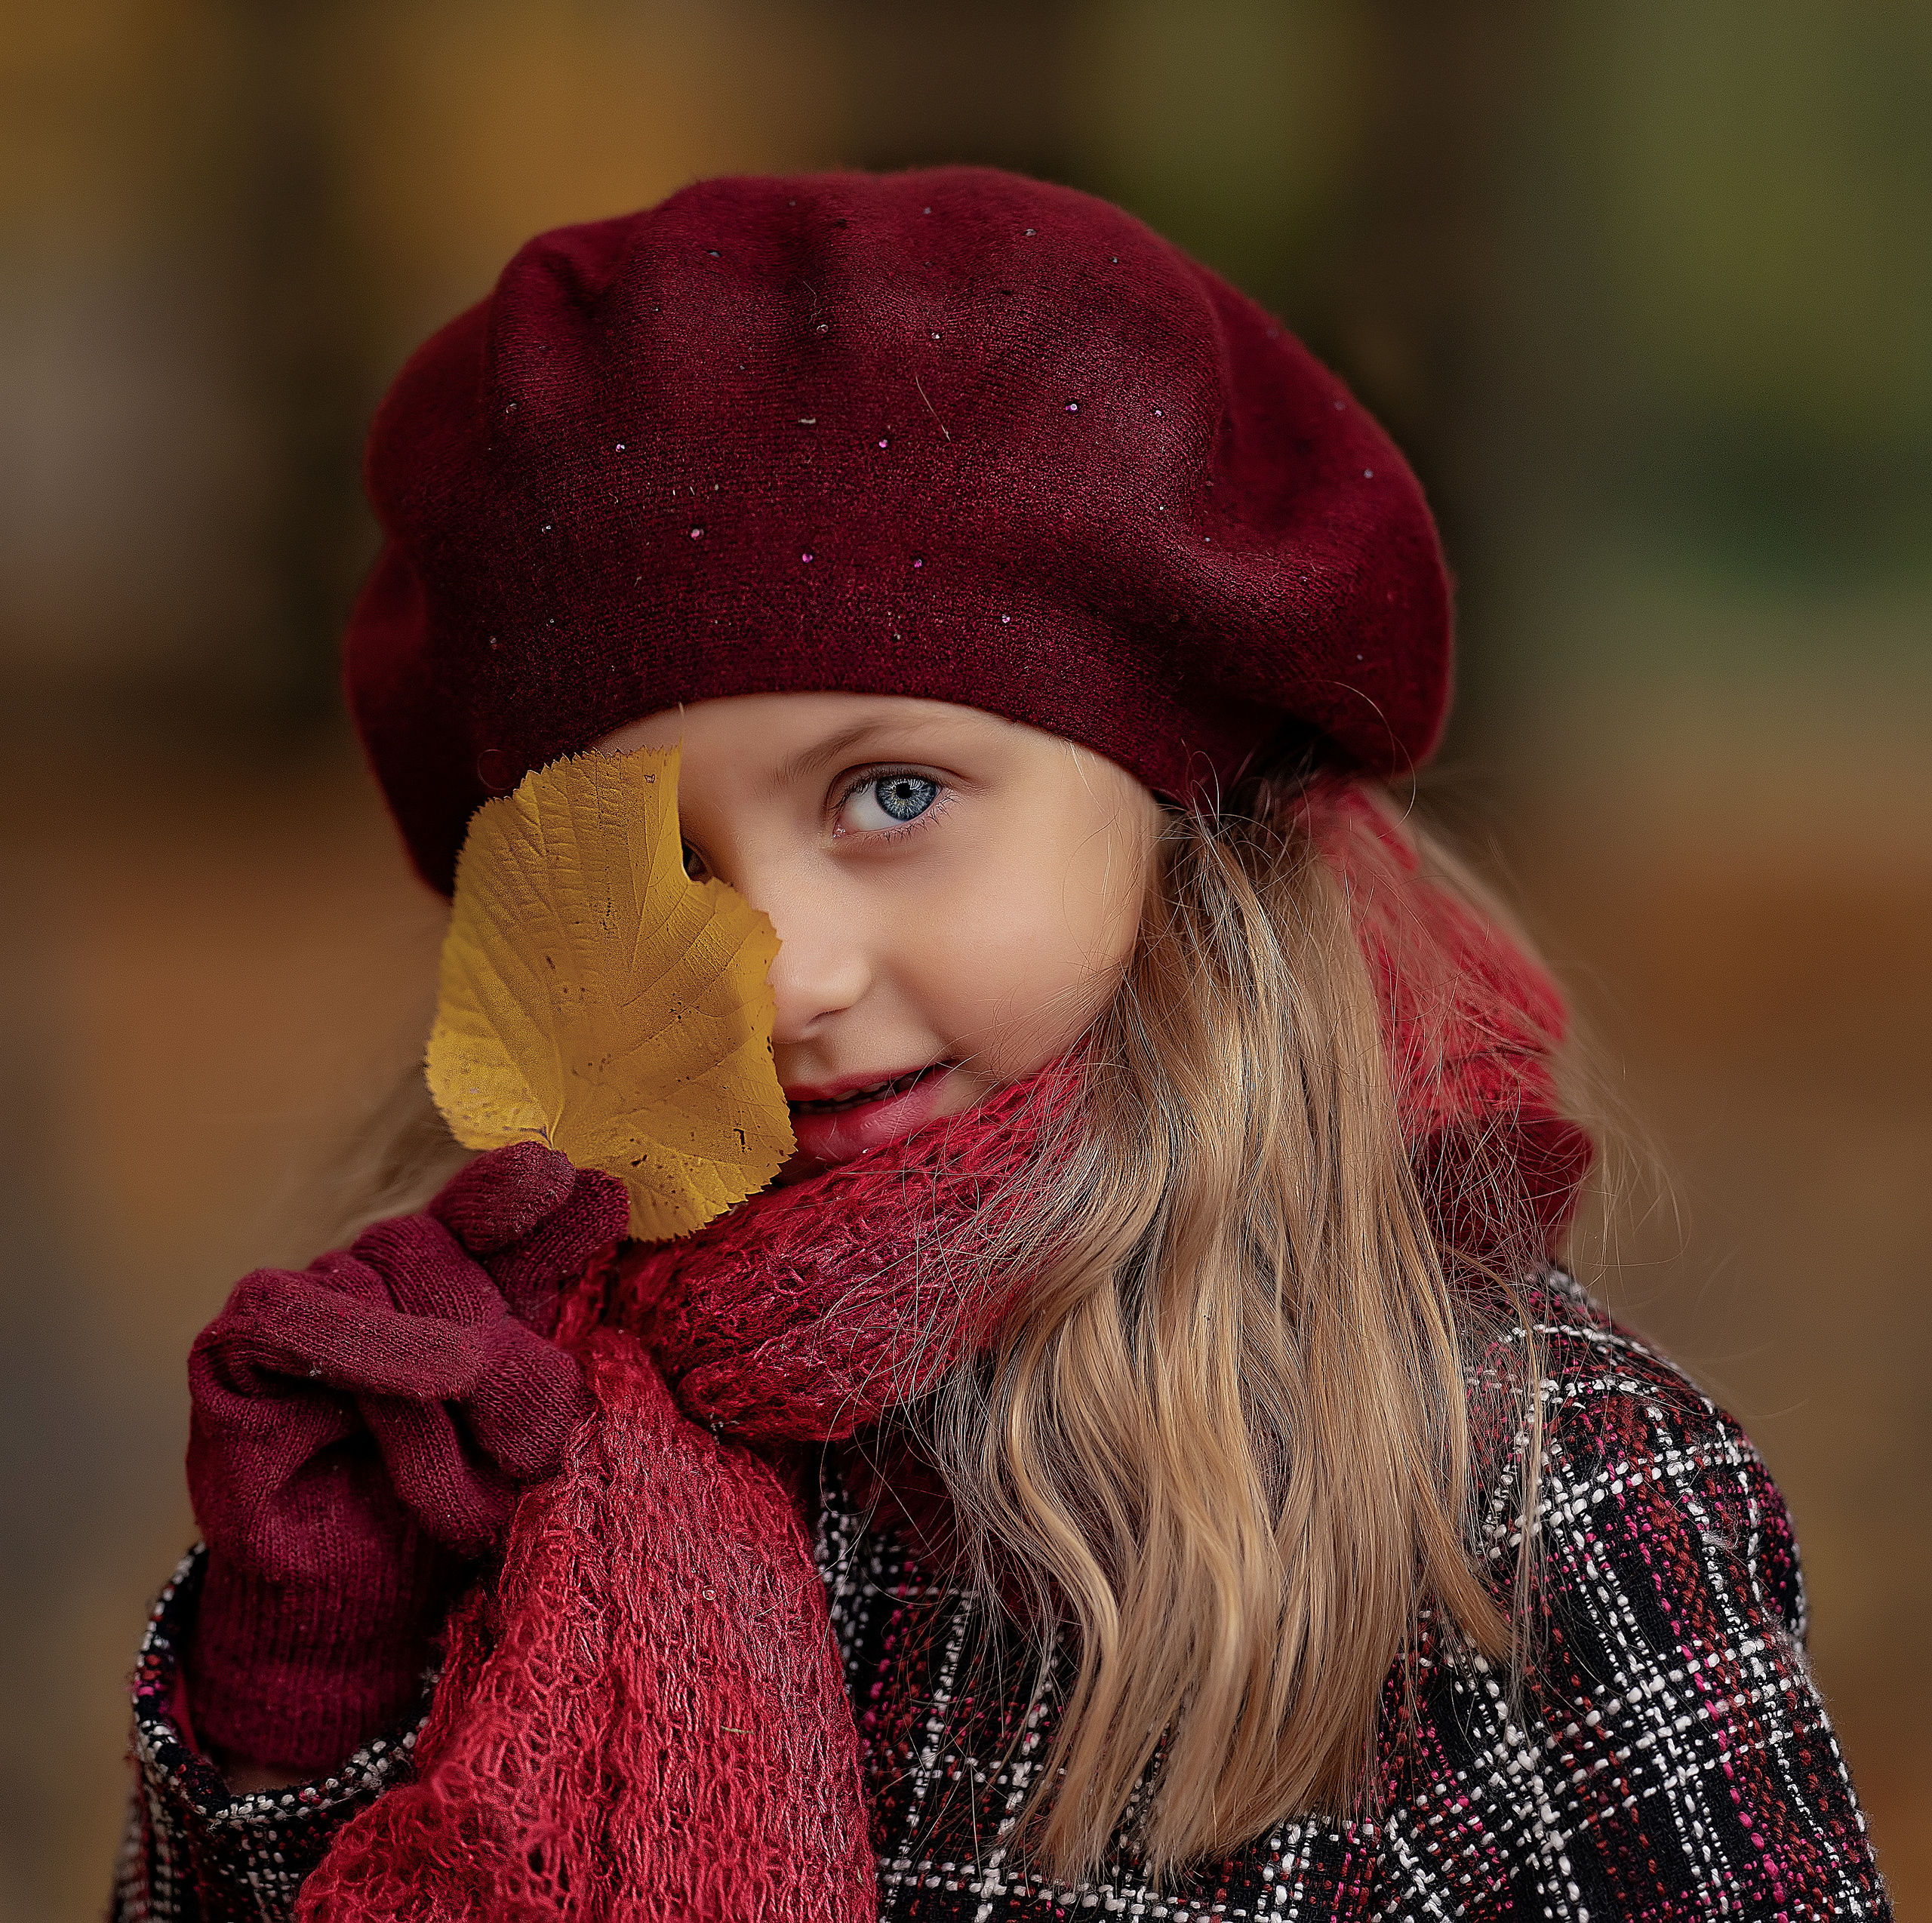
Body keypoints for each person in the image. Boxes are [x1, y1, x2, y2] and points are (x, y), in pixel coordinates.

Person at [113, 168, 1890, 1922]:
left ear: (1166, 791)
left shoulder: (1491, 1497)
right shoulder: (473, 1437)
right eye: (653, 866)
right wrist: (293, 1719)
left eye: (892, 795)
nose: (786, 971)